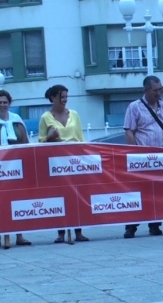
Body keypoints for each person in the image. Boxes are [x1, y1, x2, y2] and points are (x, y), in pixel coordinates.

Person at [122, 75, 163, 239]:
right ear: (146, 90)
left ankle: (155, 224)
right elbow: (129, 130)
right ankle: (131, 225)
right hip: (143, 158)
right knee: (139, 192)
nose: (159, 93)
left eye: (160, 89)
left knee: (158, 192)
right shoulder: (135, 107)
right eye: (155, 90)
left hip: (162, 157)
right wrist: (135, 154)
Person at [39, 85, 90, 243]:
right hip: (57, 162)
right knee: (59, 196)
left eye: (66, 96)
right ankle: (60, 233)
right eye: (62, 97)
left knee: (76, 195)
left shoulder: (74, 114)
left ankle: (78, 231)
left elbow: (81, 138)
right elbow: (40, 141)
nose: (65, 100)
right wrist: (49, 137)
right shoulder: (45, 117)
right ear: (53, 98)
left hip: (74, 161)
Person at [0, 90, 32, 250]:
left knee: (17, 201)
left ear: (9, 103)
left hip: (16, 167)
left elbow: (26, 142)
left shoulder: (17, 120)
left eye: (4, 102)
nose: (2, 105)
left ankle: (20, 235)